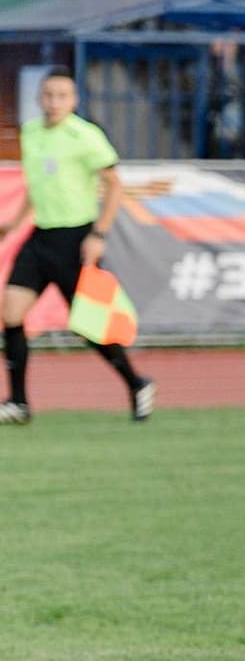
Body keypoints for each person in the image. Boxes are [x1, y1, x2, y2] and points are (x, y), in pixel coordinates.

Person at [0, 71, 154, 425]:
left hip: (75, 239)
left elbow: (115, 186)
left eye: (62, 96)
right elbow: (37, 186)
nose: (53, 102)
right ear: (39, 98)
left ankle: (136, 383)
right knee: (10, 311)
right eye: (48, 95)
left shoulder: (85, 136)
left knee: (88, 324)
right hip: (40, 236)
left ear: (74, 100)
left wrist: (98, 235)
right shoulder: (33, 133)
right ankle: (18, 402)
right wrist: (14, 222)